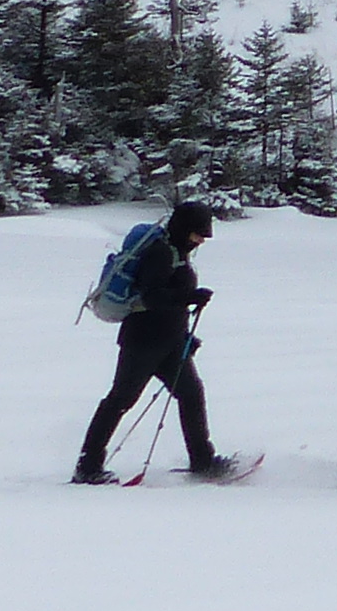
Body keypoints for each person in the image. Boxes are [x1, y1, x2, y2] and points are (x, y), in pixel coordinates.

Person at [76, 202, 233, 482]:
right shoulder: (160, 253)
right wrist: (190, 297)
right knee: (121, 399)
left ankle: (203, 461)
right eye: (198, 234)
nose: (200, 241)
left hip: (170, 342)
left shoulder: (177, 252)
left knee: (191, 394)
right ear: (183, 228)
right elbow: (152, 296)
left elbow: (170, 300)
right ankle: (88, 467)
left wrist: (185, 335)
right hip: (143, 341)